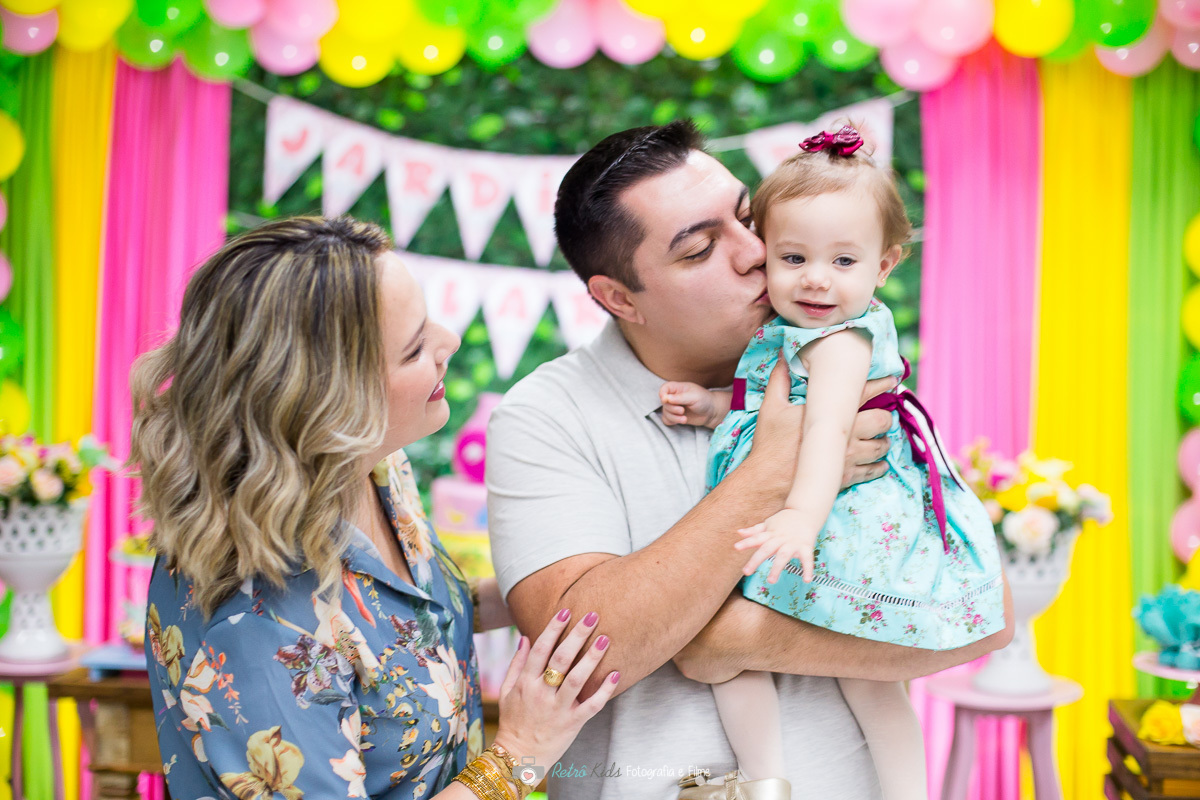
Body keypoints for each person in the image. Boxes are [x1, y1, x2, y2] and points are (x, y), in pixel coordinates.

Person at [486, 121, 1014, 800]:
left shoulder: (828, 352)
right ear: (618, 297)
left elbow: (981, 614)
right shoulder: (547, 418)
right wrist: (771, 470)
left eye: (746, 217)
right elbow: (588, 654)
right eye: (701, 248)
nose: (754, 252)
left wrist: (727, 639)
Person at [131, 216, 620, 800]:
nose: (450, 342)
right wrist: (519, 755)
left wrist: (558, 584)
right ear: (332, 407)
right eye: (414, 349)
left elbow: (403, 628)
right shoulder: (258, 630)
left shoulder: (376, 468)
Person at [658, 125, 1005, 800]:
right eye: (793, 257)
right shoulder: (790, 335)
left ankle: (881, 790)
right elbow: (760, 405)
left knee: (865, 678)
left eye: (844, 262)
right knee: (728, 653)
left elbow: (823, 436)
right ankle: (766, 781)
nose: (816, 279)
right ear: (765, 259)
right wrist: (707, 406)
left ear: (884, 266)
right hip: (799, 512)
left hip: (836, 518)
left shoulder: (840, 345)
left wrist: (798, 517)